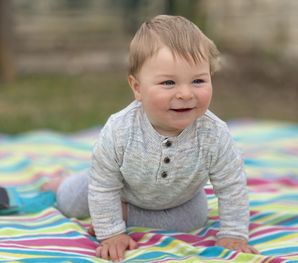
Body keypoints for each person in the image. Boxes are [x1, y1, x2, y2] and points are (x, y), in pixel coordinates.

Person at [42, 15, 259, 262]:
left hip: (179, 200)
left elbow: (232, 186)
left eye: (198, 80)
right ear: (137, 88)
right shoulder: (120, 130)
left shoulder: (215, 135)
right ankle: (62, 183)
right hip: (118, 187)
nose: (186, 94)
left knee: (194, 219)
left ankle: (125, 213)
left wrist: (234, 233)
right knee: (70, 201)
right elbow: (104, 186)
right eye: (168, 82)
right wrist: (111, 233)